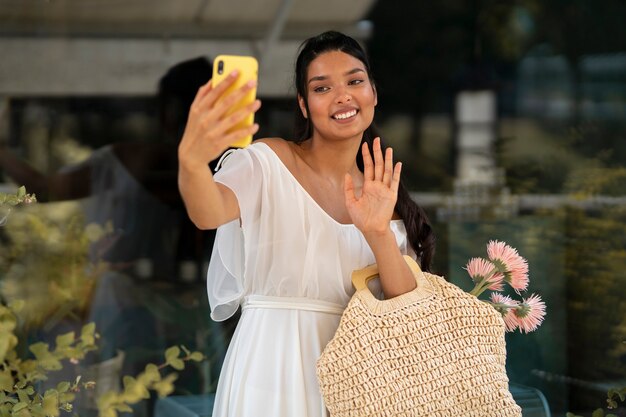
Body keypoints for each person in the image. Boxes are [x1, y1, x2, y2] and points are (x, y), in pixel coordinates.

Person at [178, 31, 436, 417]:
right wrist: (191, 162)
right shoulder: (269, 162)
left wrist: (378, 232)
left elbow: (406, 310)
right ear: (303, 104)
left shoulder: (383, 192)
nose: (343, 95)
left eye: (354, 80)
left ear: (374, 93)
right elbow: (208, 211)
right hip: (271, 370)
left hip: (359, 386)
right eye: (322, 87)